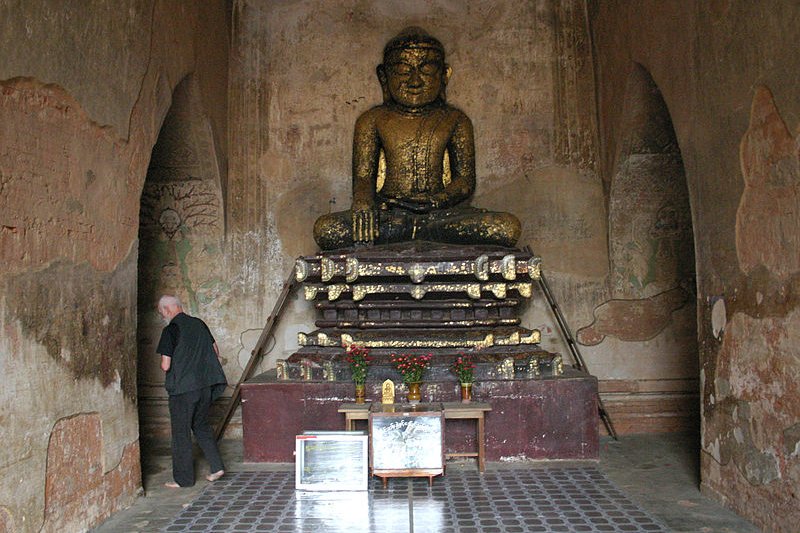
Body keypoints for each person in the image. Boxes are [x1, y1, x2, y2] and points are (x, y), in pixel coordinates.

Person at [313, 26, 521, 250]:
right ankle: (417, 235)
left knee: (506, 227)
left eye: (426, 69)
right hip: (389, 216)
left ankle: (420, 233)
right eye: (403, 70)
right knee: (326, 229)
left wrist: (436, 201)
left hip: (439, 216)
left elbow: (465, 181)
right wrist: (363, 203)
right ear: (384, 76)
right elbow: (364, 178)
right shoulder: (372, 119)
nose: (415, 81)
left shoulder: (454, 119)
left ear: (444, 75)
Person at [156, 295, 227, 488]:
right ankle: (217, 467)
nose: (162, 314)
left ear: (167, 310)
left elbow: (165, 365)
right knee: (201, 426)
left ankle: (184, 480)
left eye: (161, 311)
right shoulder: (199, 324)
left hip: (183, 390)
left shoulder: (171, 330)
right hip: (205, 386)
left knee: (181, 434)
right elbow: (215, 351)